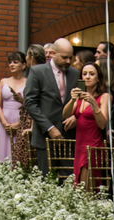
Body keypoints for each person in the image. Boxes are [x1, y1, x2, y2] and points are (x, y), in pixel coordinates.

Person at [24, 38, 78, 175]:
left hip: (69, 135)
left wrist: (75, 116)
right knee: (47, 179)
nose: (68, 61)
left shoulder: (74, 73)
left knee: (68, 180)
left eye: (70, 58)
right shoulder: (37, 71)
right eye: (64, 57)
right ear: (53, 53)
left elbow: (80, 101)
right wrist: (49, 127)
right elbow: (30, 103)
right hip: (45, 136)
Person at [65, 61, 110, 185]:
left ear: (98, 78)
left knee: (85, 186)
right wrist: (72, 100)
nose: (87, 77)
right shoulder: (79, 97)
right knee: (78, 183)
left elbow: (102, 124)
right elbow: (65, 115)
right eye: (84, 74)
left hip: (93, 145)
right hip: (79, 145)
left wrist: (94, 104)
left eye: (91, 74)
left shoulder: (104, 96)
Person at [0, 50, 27, 164]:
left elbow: (30, 106)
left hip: (20, 121)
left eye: (15, 62)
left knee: (17, 152)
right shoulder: (3, 82)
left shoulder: (28, 83)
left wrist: (18, 124)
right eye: (10, 62)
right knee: (2, 152)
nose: (11, 65)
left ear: (23, 65)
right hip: (4, 122)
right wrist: (4, 123)